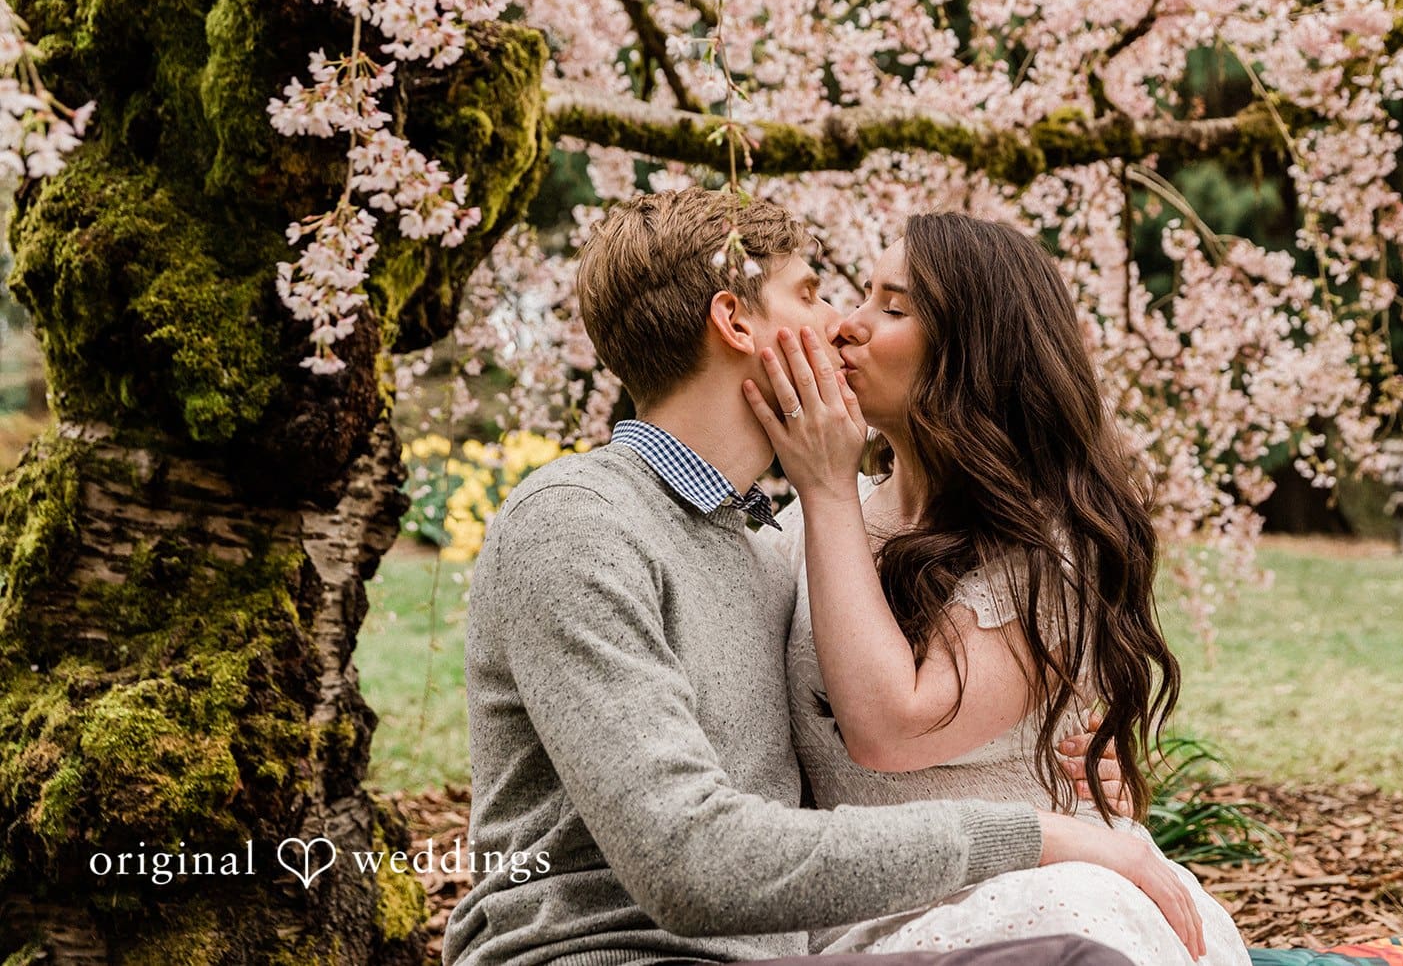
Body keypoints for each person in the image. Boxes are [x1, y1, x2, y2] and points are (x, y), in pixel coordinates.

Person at [442, 189, 1200, 966]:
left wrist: (1064, 777)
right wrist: (1038, 832)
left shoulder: (760, 549)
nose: (840, 321)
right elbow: (692, 857)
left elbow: (810, 775)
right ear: (737, 321)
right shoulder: (580, 523)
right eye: (812, 292)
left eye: (882, 304)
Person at [744, 212, 1251, 965]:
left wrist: (823, 488)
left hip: (1022, 891)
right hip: (854, 907)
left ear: (971, 351)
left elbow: (891, 730)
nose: (846, 326)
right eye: (859, 296)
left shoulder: (1048, 548)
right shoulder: (811, 523)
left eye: (892, 306)